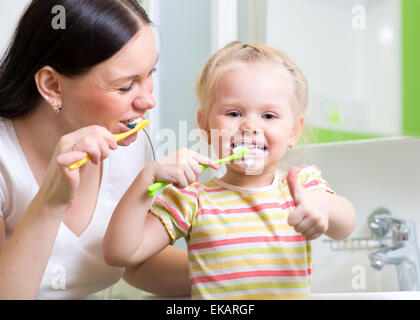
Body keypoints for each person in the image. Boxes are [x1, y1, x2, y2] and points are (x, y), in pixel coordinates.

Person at [103, 41, 357, 300]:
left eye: (269, 116)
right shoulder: (191, 199)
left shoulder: (302, 187)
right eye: (234, 113)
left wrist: (322, 206)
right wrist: (147, 179)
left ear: (294, 131)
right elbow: (121, 254)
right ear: (205, 124)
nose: (249, 126)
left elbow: (345, 226)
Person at [0, 0, 219, 300]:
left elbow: (135, 264)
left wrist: (241, 269)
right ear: (52, 85)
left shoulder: (130, 147)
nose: (148, 101)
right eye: (126, 86)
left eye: (150, 72)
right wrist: (51, 202)